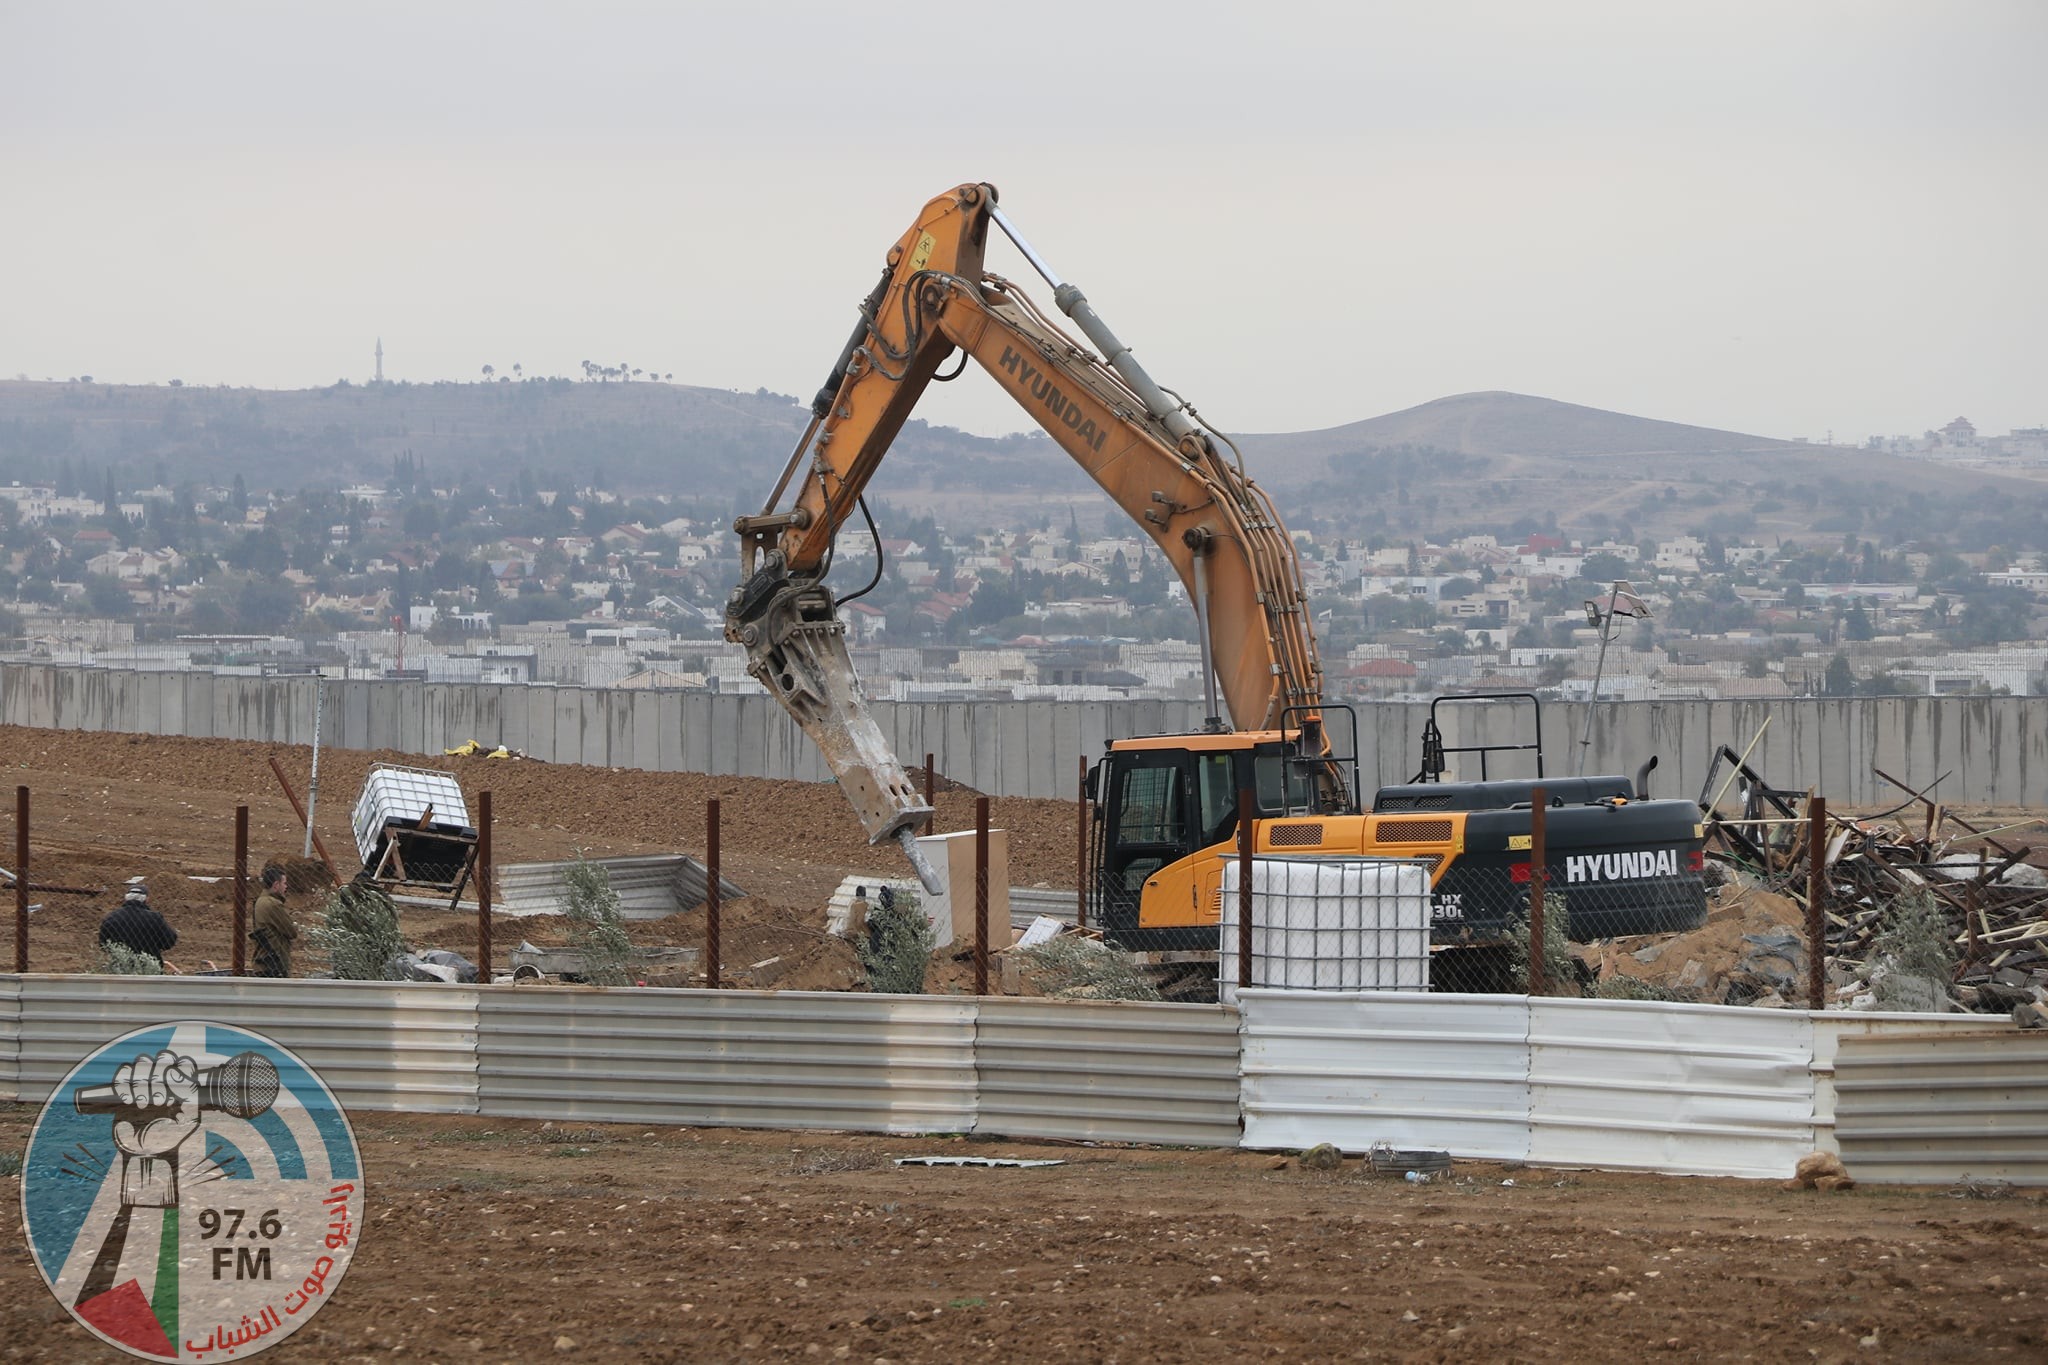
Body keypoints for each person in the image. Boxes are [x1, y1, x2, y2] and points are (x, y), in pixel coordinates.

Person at [99, 879, 179, 969]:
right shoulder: (154, 918)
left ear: (126, 897)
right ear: (146, 899)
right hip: (149, 966)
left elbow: (104, 944)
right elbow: (169, 941)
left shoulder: (112, 917)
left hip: (121, 966)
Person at [250, 860, 297, 978]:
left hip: (265, 961)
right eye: (284, 883)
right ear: (276, 885)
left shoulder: (260, 901)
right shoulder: (273, 904)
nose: (286, 887)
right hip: (274, 962)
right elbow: (291, 931)